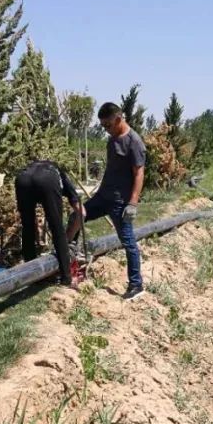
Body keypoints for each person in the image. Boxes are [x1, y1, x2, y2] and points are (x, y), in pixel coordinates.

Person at [67, 102, 146, 301]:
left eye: (108, 125)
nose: (106, 130)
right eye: (103, 126)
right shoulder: (111, 141)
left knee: (128, 242)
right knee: (77, 216)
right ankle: (69, 259)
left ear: (119, 119)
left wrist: (133, 203)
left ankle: (136, 284)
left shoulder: (134, 141)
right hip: (103, 196)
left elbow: (139, 174)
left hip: (120, 203)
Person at [14, 160, 82, 286]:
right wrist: (70, 236)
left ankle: (31, 275)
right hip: (46, 180)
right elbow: (80, 210)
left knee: (27, 226)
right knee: (57, 228)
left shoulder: (44, 168)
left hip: (22, 178)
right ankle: (67, 278)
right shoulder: (60, 175)